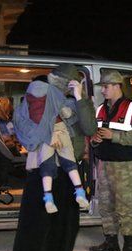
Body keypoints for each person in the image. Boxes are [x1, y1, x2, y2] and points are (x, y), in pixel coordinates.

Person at [11, 63, 97, 251]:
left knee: (67, 220)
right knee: (34, 220)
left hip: (69, 170)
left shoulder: (77, 102)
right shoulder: (32, 101)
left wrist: (80, 98)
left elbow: (90, 128)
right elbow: (23, 131)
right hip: (41, 168)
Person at [88, 70, 132, 251]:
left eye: (105, 87)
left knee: (124, 207)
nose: (103, 90)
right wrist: (95, 140)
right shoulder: (101, 109)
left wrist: (115, 136)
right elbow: (95, 135)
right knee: (105, 205)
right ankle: (111, 243)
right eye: (102, 87)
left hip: (123, 166)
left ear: (117, 86)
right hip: (103, 163)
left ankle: (130, 248)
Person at [14, 72, 90, 214]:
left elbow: (24, 130)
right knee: (62, 215)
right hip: (64, 170)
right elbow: (76, 121)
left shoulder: (23, 108)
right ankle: (79, 192)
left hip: (38, 166)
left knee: (38, 213)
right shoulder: (60, 101)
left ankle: (48, 199)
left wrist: (47, 136)